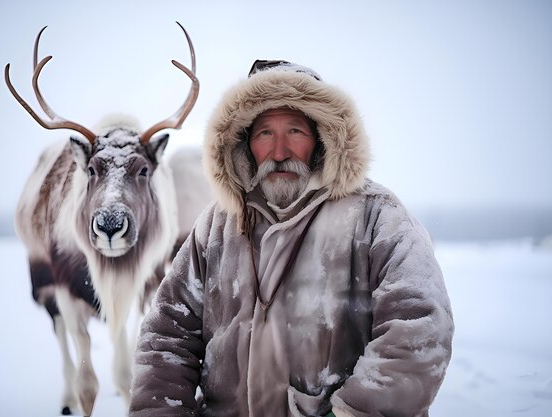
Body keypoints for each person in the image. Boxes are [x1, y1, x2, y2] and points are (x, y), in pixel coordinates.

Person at [129, 59, 454, 417]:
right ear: (243, 144)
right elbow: (167, 335)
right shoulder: (216, 226)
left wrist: (354, 412)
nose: (279, 151)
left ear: (321, 137)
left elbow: (419, 328)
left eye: (295, 131)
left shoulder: (376, 215)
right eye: (265, 132)